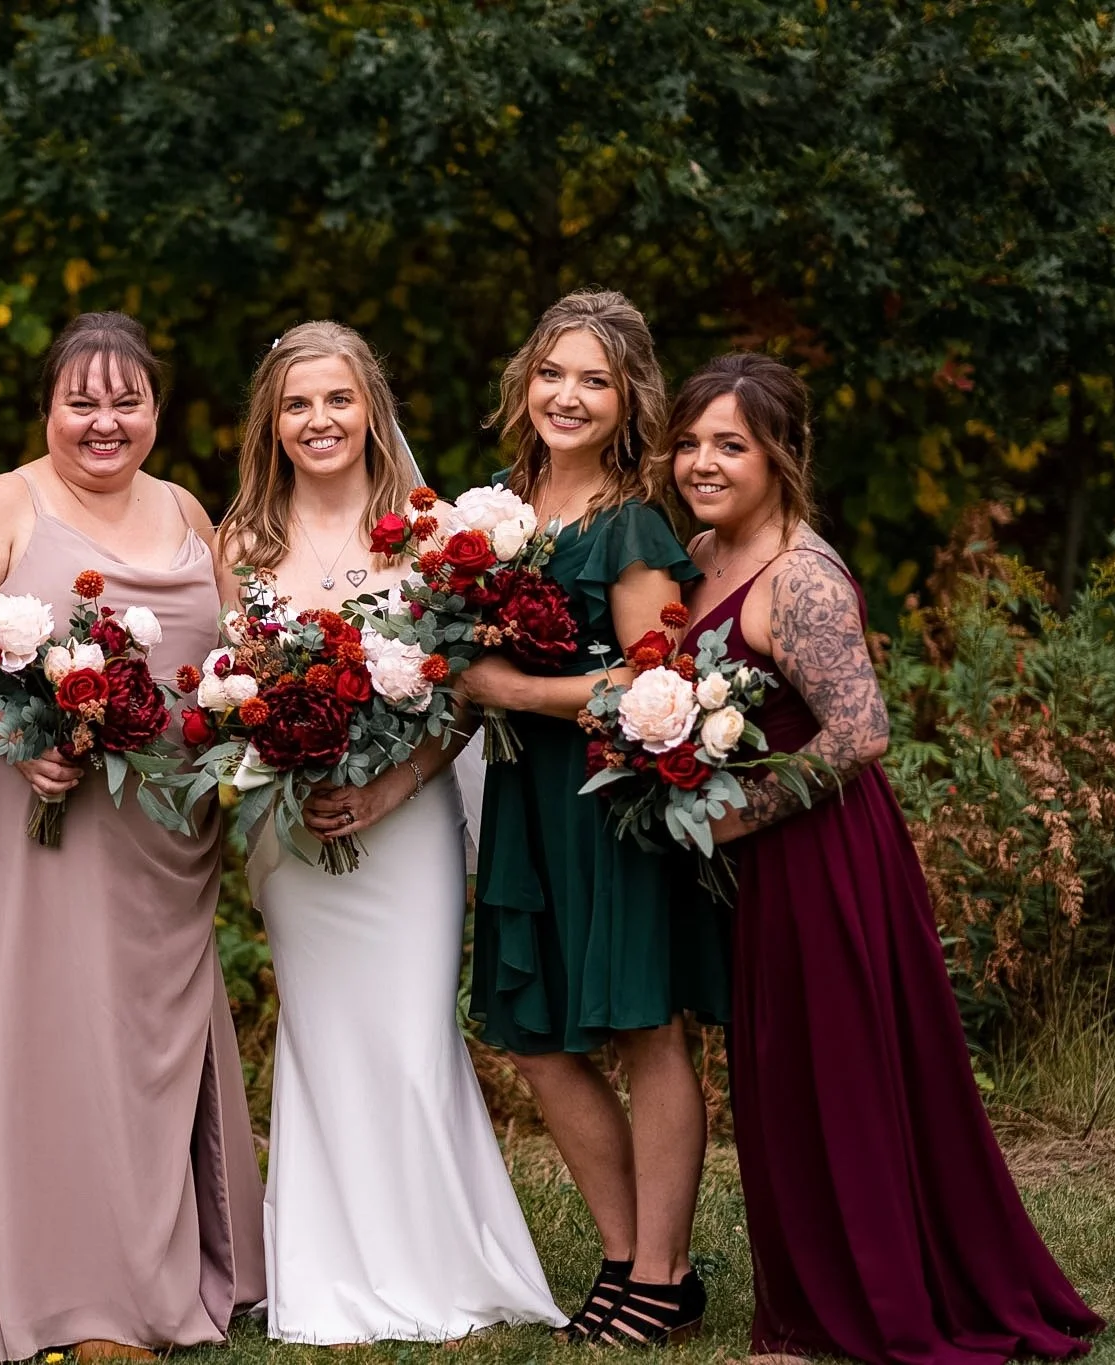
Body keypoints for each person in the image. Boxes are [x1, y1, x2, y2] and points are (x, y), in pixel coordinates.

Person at [666, 351, 1104, 1364]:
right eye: (689, 442)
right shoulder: (700, 553)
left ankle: (860, 1308)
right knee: (775, 1080)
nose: (702, 461)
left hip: (820, 854)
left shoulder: (801, 577)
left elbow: (859, 732)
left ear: (779, 454)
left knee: (837, 1076)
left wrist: (737, 816)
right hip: (759, 860)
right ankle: (804, 1301)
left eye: (728, 444)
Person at [214, 321, 564, 1344]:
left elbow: (456, 693)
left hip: (405, 821)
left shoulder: (424, 532)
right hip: (297, 835)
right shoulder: (244, 545)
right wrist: (291, 760)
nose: (317, 421)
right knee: (320, 1038)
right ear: (270, 424)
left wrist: (389, 785)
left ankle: (437, 1264)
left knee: (410, 1040)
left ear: (370, 409)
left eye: (335, 400)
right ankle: (324, 1274)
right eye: (295, 405)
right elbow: (238, 688)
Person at [0, 312, 264, 1365]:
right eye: (82, 400)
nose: (103, 422)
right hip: (49, 814)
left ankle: (176, 1263)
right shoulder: (7, 502)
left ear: (156, 412)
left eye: (127, 401)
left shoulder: (183, 507)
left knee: (149, 1047)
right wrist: (11, 732)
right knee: (60, 1041)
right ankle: (70, 1291)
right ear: (49, 408)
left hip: (169, 830)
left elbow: (237, 651)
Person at [453, 290, 726, 1346]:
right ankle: (623, 1255)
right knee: (532, 1034)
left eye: (594, 381)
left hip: (610, 801)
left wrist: (516, 692)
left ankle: (659, 1276)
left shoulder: (634, 524)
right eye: (552, 373)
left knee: (644, 1029)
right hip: (521, 802)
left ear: (627, 401)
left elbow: (655, 684)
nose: (567, 396)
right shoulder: (495, 510)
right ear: (525, 382)